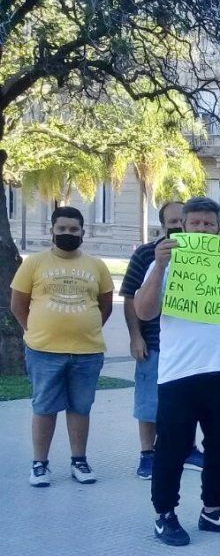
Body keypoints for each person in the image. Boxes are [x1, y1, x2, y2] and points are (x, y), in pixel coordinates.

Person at [134, 196, 220, 546]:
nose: (202, 229)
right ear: (182, 227)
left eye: (208, 224)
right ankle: (165, 514)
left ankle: (213, 510)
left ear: (219, 228)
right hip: (179, 374)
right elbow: (144, 311)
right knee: (172, 447)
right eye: (195, 223)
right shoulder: (165, 266)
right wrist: (157, 267)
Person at [11, 206, 113, 487]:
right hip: (44, 351)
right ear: (52, 230)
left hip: (87, 352)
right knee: (44, 408)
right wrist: (31, 330)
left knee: (81, 408)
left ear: (83, 232)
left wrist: (85, 326)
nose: (68, 233)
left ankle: (79, 461)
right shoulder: (34, 263)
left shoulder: (97, 266)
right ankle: (40, 464)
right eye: (62, 229)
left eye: (73, 229)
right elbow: (18, 304)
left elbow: (105, 306)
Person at [119, 201, 205, 479]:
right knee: (149, 403)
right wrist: (136, 337)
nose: (179, 228)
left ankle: (189, 448)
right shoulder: (146, 254)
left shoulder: (209, 256)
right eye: (173, 223)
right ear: (163, 225)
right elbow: (130, 296)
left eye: (184, 222)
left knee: (190, 401)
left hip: (192, 348)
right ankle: (147, 454)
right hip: (155, 342)